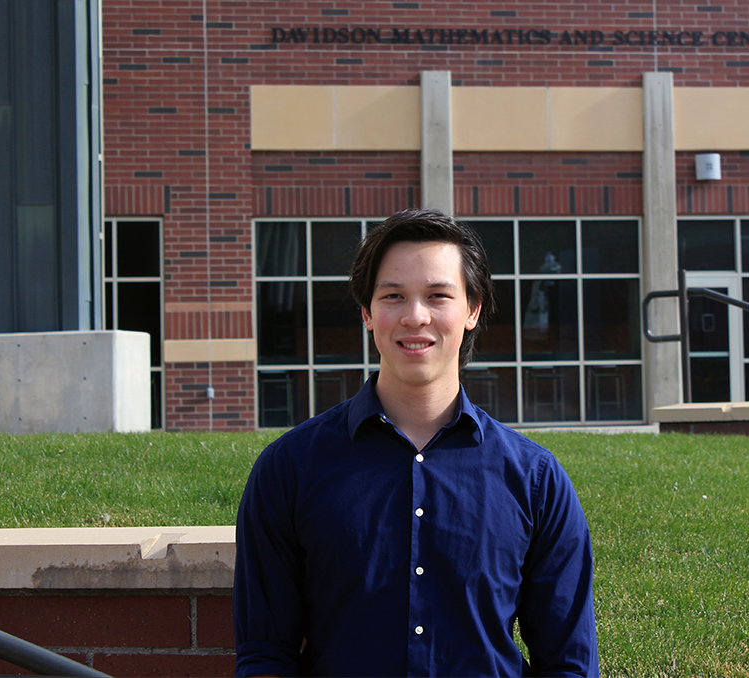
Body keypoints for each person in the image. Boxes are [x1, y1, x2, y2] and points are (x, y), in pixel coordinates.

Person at [233, 208, 599, 677]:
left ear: (472, 310)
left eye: (437, 295)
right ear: (367, 312)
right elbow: (266, 655)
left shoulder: (535, 480)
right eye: (393, 296)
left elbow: (569, 662)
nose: (415, 316)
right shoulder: (289, 469)